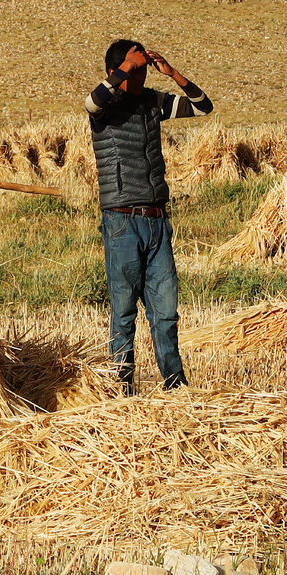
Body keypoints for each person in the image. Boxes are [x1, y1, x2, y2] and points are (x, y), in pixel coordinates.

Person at [85, 40, 213, 395]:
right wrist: (127, 66)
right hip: (121, 221)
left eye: (144, 69)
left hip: (157, 219)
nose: (141, 76)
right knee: (124, 313)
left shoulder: (153, 102)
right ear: (116, 71)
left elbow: (203, 107)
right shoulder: (104, 108)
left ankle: (176, 388)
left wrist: (171, 73)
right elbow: (91, 101)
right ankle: (121, 392)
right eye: (135, 69)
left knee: (166, 312)